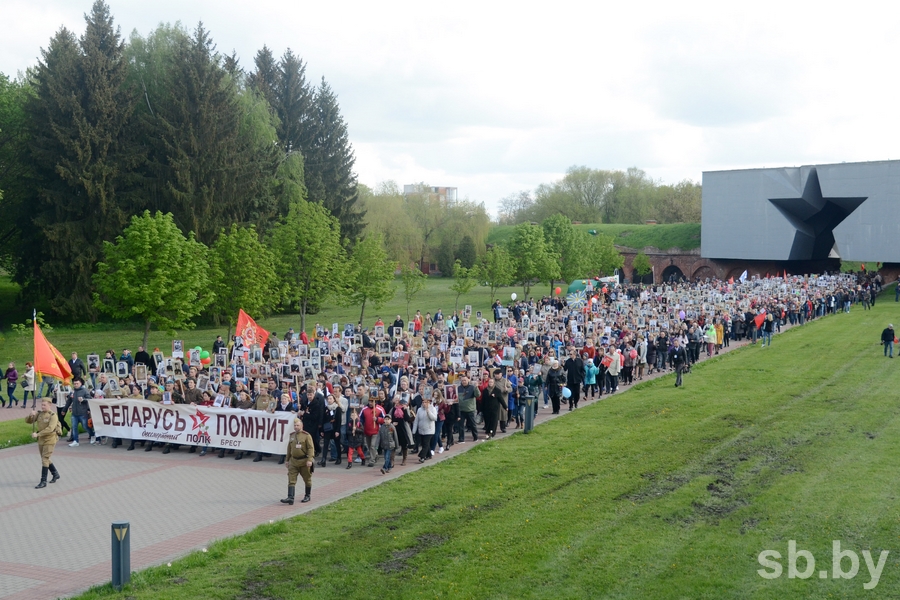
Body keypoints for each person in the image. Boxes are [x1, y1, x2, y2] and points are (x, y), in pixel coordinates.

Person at [26, 398, 61, 488]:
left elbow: (50, 428)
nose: (43, 407)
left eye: (45, 405)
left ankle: (43, 481)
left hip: (50, 439)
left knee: (45, 459)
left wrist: (38, 434)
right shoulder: (40, 414)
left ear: (50, 405)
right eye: (42, 405)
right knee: (45, 458)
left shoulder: (53, 415)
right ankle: (55, 474)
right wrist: (31, 415)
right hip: (41, 439)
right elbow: (28, 421)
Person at [281, 418, 315, 505]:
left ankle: (307, 495)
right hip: (294, 461)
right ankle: (290, 497)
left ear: (301, 426)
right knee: (291, 479)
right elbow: (289, 448)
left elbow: (311, 448)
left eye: (297, 425)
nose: (296, 427)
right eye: (295, 426)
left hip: (304, 461)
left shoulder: (306, 436)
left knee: (307, 479)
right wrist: (287, 460)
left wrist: (310, 460)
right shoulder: (292, 435)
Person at [480, 368, 509, 439]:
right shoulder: (485, 390)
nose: (490, 384)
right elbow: (483, 400)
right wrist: (481, 409)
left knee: (494, 421)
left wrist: (505, 407)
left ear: (494, 383)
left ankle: (492, 433)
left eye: (491, 382)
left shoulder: (497, 390)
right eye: (489, 382)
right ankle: (488, 431)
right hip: (487, 409)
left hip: (495, 408)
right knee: (487, 421)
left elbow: (501, 399)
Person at [65, 378, 94, 446]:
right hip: (74, 413)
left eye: (77, 383)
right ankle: (76, 441)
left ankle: (93, 435)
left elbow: (89, 399)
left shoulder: (84, 391)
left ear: (81, 383)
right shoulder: (72, 391)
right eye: (74, 384)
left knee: (86, 426)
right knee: (74, 427)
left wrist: (83, 400)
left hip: (83, 412)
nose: (75, 385)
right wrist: (64, 409)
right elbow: (69, 400)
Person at [412, 397, 437, 462]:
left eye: (426, 402)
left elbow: (434, 418)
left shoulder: (433, 409)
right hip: (421, 430)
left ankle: (422, 457)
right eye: (423, 402)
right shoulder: (419, 410)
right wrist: (414, 430)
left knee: (425, 444)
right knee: (424, 444)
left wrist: (428, 411)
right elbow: (416, 420)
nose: (424, 403)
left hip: (429, 430)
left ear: (429, 402)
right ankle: (429, 455)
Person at [456, 373, 479, 443]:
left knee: (473, 424)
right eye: (462, 380)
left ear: (468, 380)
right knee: (460, 426)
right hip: (461, 410)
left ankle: (475, 437)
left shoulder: (472, 387)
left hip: (470, 409)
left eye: (465, 380)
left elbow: (478, 395)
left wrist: (476, 388)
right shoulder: (458, 388)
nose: (463, 382)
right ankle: (461, 439)